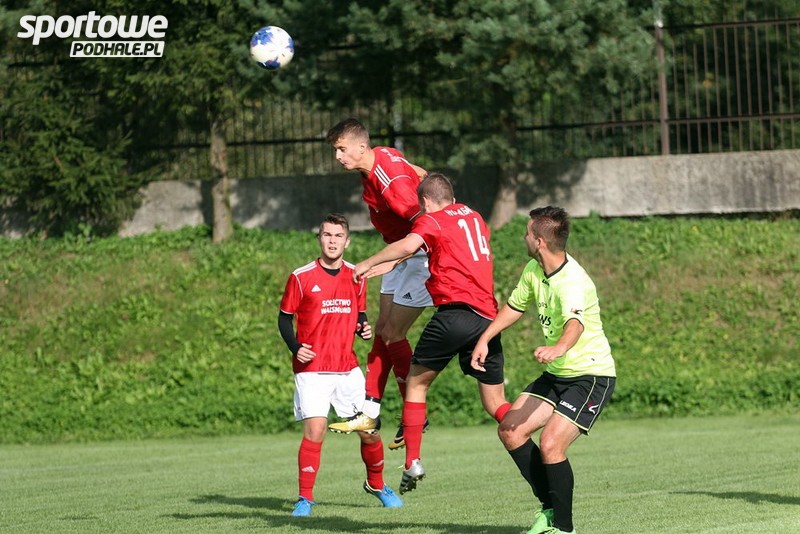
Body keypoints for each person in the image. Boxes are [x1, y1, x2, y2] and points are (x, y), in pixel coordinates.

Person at [353, 172, 512, 495]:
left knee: (416, 384)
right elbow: (446, 246)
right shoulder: (475, 217)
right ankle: (531, 421)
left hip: (454, 314)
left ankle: (412, 460)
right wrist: (396, 262)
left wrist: (367, 262)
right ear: (451, 196)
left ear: (425, 202)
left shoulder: (432, 220)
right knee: (495, 401)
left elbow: (411, 242)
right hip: (487, 319)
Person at [470, 206, 616, 534]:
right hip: (558, 374)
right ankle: (549, 510)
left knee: (551, 444)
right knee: (510, 430)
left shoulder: (572, 280)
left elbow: (575, 324)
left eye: (526, 233)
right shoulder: (534, 270)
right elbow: (514, 306)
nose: (523, 237)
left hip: (591, 376)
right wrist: (485, 338)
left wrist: (557, 348)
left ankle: (564, 528)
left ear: (539, 241)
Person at [278, 213, 403, 517]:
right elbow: (284, 318)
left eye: (338, 236)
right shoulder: (301, 276)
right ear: (319, 239)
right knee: (316, 430)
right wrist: (296, 347)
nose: (332, 241)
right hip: (312, 370)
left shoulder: (356, 275)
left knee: (369, 431)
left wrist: (363, 328)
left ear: (347, 241)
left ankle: (377, 485)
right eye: (327, 235)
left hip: (347, 368)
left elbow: (359, 314)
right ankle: (305, 499)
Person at [326, 118, 432, 450]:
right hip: (398, 254)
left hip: (416, 258)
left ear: (361, 146)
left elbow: (426, 228)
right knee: (383, 332)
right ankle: (370, 413)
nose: (338, 156)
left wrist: (394, 259)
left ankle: (415, 413)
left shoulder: (392, 186)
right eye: (336, 150)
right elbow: (421, 173)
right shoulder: (382, 156)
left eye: (341, 149)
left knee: (392, 334)